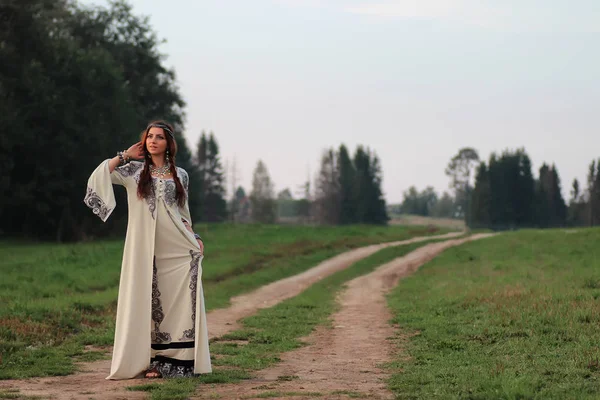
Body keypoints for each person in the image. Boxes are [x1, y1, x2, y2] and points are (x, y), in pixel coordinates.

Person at [84, 121, 212, 379]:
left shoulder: (181, 175)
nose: (153, 141)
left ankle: (177, 359)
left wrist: (194, 237)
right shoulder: (132, 171)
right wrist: (124, 156)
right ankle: (150, 360)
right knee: (146, 298)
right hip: (143, 247)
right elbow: (100, 176)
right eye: (149, 137)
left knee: (176, 300)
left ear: (168, 144)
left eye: (159, 137)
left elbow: (182, 212)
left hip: (176, 248)